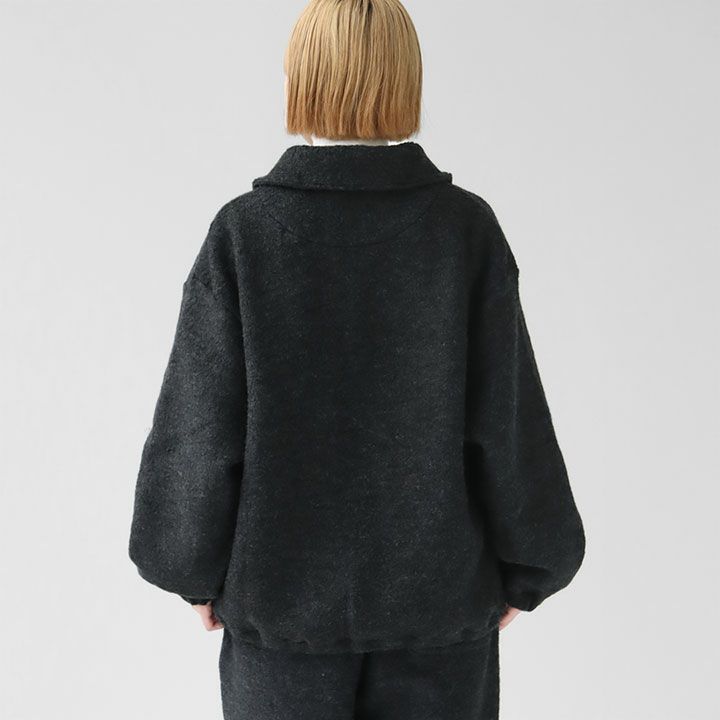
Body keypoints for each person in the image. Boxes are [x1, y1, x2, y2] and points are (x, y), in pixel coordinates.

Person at [128, 1, 586, 717]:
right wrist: (533, 562)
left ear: (298, 77)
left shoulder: (246, 236)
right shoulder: (464, 231)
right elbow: (506, 419)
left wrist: (187, 563)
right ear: (408, 78)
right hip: (439, 616)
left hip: (280, 618)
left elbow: (201, 429)